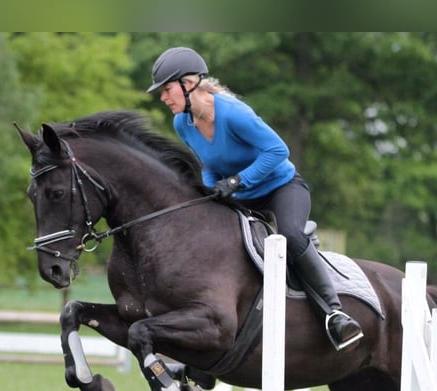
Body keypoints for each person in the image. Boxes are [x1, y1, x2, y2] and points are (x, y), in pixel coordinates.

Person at [147, 47, 363, 350]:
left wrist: (237, 181)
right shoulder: (182, 124)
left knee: (289, 235)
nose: (163, 98)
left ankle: (335, 314)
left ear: (189, 83)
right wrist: (211, 189)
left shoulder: (234, 113)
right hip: (241, 197)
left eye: (167, 89)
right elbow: (208, 164)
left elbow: (278, 151)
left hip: (281, 189)